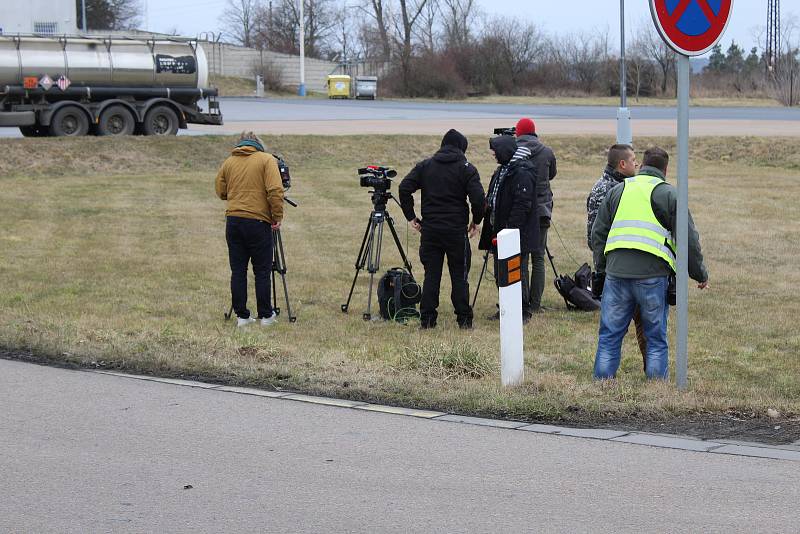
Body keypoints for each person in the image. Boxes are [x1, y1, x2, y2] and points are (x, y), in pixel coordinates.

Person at [591, 147, 709, 380]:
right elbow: (689, 240)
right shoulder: (669, 194)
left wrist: (602, 270)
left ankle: (602, 383)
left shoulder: (619, 190)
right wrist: (700, 274)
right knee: (655, 336)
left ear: (642, 165)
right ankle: (656, 387)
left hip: (616, 275)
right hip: (653, 276)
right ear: (665, 170)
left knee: (610, 335)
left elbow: (598, 233)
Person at [399, 129, 485, 329]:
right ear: (461, 148)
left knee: (431, 276)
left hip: (430, 231)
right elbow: (479, 199)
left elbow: (404, 187)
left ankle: (427, 321)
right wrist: (477, 221)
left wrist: (411, 216)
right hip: (456, 231)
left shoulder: (426, 166)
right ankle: (464, 321)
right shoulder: (467, 168)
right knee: (460, 277)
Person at [586, 144, 648, 369]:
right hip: (617, 269)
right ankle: (649, 372)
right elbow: (595, 236)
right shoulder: (608, 190)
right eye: (633, 160)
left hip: (622, 266)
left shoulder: (621, 186)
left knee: (631, 326)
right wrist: (603, 269)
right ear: (622, 164)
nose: (637, 164)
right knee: (617, 330)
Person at [215, 132, 284, 327]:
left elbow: (221, 191)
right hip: (258, 222)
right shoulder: (266, 160)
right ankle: (265, 315)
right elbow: (275, 190)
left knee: (238, 270)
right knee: (262, 270)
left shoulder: (229, 162)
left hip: (234, 221)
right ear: (259, 145)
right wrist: (276, 217)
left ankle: (242, 317)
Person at [479, 134, 539, 321]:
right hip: (500, 230)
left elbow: (522, 205)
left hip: (515, 234)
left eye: (495, 151)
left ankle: (522, 311)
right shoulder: (503, 170)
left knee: (516, 272)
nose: (493, 155)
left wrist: (509, 230)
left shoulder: (522, 172)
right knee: (501, 272)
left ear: (504, 151)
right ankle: (506, 307)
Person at [515, 117, 557, 313]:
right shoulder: (546, 151)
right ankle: (536, 304)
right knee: (538, 257)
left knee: (521, 258)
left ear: (518, 133)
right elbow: (552, 174)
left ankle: (522, 303)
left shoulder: (513, 151)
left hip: (521, 211)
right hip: (542, 210)